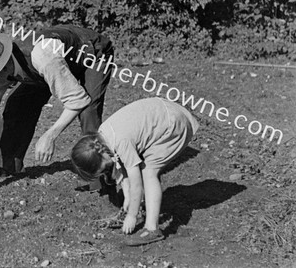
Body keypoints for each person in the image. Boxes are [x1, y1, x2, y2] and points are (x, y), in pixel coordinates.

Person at [0, 25, 114, 194]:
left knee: (88, 111)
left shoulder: (43, 56)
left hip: (91, 54)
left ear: (3, 67)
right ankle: (4, 165)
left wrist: (50, 135)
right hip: (52, 66)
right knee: (18, 104)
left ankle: (103, 177)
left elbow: (77, 100)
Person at [70, 97, 199, 246]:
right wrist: (128, 199)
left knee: (149, 172)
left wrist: (132, 215)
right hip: (162, 115)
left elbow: (136, 183)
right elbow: (121, 166)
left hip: (172, 125)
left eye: (104, 169)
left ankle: (152, 229)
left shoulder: (121, 142)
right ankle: (138, 205)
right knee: (142, 168)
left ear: (101, 157)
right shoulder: (103, 137)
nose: (106, 171)